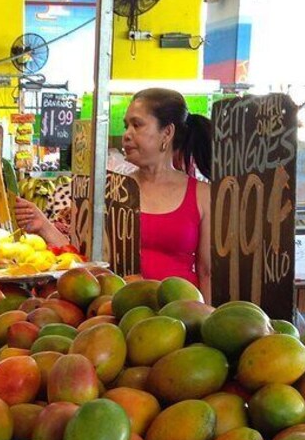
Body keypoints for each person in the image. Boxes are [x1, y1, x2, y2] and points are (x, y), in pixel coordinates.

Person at [16, 87, 212, 301]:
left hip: (182, 315)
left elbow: (206, 271)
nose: (127, 135)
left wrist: (207, 320)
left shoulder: (202, 195)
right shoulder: (108, 190)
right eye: (126, 126)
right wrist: (42, 225)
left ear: (167, 132)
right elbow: (81, 261)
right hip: (118, 316)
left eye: (137, 125)